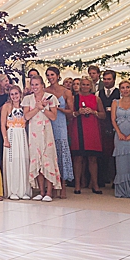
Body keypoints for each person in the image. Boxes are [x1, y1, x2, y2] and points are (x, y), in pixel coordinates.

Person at [23, 76, 61, 201]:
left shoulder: (51, 98)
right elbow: (27, 116)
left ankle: (49, 192)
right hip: (34, 132)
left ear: (42, 85)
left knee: (47, 159)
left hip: (46, 131)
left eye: (37, 84)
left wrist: (43, 108)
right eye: (32, 85)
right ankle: (41, 190)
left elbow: (54, 117)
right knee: (36, 159)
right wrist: (37, 108)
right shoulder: (28, 99)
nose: (34, 87)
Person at [69, 77, 105, 194]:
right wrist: (78, 112)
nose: (85, 87)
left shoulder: (96, 99)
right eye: (82, 84)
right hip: (78, 129)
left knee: (92, 159)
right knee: (78, 158)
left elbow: (103, 115)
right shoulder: (75, 98)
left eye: (87, 85)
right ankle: (77, 185)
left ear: (91, 86)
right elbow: (69, 114)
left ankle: (95, 184)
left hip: (92, 130)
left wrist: (93, 112)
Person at [46, 67, 73, 197]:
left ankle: (63, 186)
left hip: (61, 124)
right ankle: (51, 187)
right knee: (50, 155)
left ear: (57, 75)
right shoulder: (45, 91)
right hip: (48, 124)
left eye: (52, 75)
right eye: (48, 75)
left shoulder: (66, 92)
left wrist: (58, 109)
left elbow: (71, 112)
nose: (50, 77)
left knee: (61, 155)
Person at [0, 85, 30, 200]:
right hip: (11, 134)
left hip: (22, 134)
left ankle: (23, 190)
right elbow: (2, 124)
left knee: (23, 161)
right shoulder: (7, 106)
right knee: (12, 161)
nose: (14, 96)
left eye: (16, 94)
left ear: (20, 94)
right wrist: (5, 139)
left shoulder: (24, 106)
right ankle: (13, 190)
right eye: (12, 94)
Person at [97, 70, 120, 186]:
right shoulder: (98, 93)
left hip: (116, 126)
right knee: (102, 153)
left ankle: (115, 179)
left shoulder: (119, 93)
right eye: (105, 79)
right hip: (102, 125)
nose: (106, 81)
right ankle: (102, 178)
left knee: (115, 153)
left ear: (114, 80)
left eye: (109, 79)